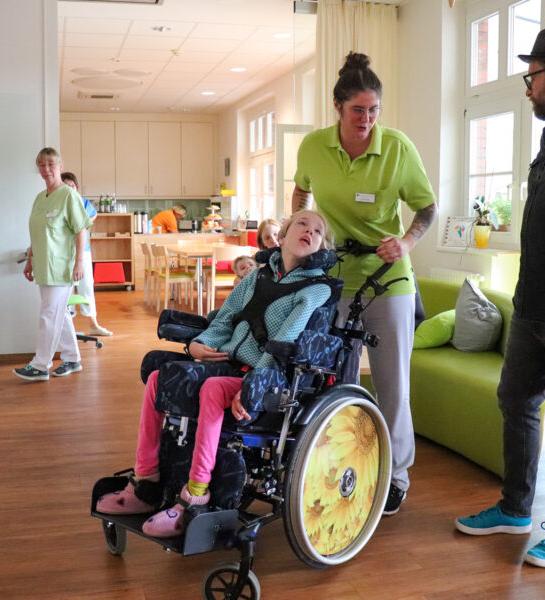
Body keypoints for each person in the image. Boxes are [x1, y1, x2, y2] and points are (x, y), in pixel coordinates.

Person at [96, 210, 334, 536]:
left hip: (269, 375)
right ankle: (145, 483)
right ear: (283, 236)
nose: (310, 231)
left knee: (212, 389)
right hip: (229, 362)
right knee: (158, 378)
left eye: (318, 231)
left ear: (321, 246)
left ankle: (195, 495)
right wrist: (198, 345)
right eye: (303, 224)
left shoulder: (316, 288)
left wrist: (253, 384)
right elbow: (223, 320)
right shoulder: (256, 276)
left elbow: (284, 342)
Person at [292, 52, 437, 515]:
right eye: (358, 110)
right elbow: (301, 189)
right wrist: (300, 223)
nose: (367, 120)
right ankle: (341, 464)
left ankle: (395, 476)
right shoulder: (314, 147)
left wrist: (408, 242)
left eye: (374, 111)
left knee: (393, 384)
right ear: (338, 107)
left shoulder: (397, 147)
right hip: (334, 276)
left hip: (388, 279)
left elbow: (427, 208)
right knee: (337, 377)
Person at [455, 29, 545, 568]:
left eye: (532, 76)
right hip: (532, 305)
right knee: (516, 404)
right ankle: (516, 508)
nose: (527, 88)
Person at [13, 148, 92, 382]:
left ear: (60, 166)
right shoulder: (40, 198)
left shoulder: (69, 195)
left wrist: (79, 262)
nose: (46, 170)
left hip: (61, 268)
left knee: (49, 314)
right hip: (42, 266)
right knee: (59, 314)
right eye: (41, 165)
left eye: (50, 164)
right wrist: (30, 259)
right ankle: (72, 358)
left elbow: (81, 230)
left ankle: (40, 365)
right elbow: (38, 234)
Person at [60, 171, 112, 337]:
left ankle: (93, 325)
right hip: (62, 252)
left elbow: (92, 216)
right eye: (67, 186)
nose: (71, 189)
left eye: (73, 186)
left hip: (83, 251)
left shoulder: (83, 203)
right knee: (65, 289)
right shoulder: (58, 203)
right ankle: (67, 325)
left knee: (87, 286)